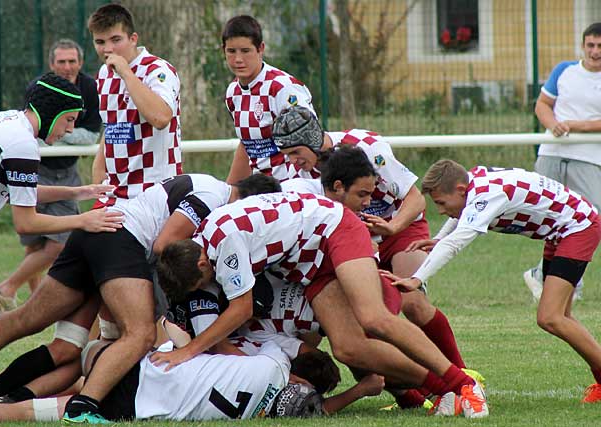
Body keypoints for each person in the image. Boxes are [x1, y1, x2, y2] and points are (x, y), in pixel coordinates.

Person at [0, 173, 280, 423]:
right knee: (139, 335)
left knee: (62, 344)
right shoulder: (214, 197)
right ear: (250, 201)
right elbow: (163, 245)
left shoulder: (210, 191)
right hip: (119, 239)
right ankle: (83, 407)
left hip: (98, 233)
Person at [156, 192, 489, 418]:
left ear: (201, 265)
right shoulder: (206, 242)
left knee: (373, 318)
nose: (208, 288)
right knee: (348, 349)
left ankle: (463, 385)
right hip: (309, 262)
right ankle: (440, 391)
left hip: (334, 230)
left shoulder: (222, 243)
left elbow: (241, 309)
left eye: (202, 283)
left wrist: (189, 351)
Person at [273, 106, 470, 373]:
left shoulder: (366, 147)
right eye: (286, 155)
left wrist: (392, 227)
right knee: (365, 320)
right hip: (355, 240)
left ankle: (462, 375)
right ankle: (414, 392)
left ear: (312, 139)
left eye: (296, 152)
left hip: (400, 227)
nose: (292, 161)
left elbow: (415, 198)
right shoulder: (299, 175)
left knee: (411, 302)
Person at [0, 72, 123, 391]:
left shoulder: (5, 121)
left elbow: (21, 189)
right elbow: (27, 222)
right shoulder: (23, 144)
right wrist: (82, 221)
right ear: (55, 114)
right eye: (69, 120)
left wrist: (76, 193)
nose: (70, 129)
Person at [391, 159, 601, 404]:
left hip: (577, 228)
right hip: (564, 230)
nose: (440, 210)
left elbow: (456, 242)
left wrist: (417, 279)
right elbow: (463, 213)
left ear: (460, 189)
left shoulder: (488, 194)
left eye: (440, 203)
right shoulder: (473, 186)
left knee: (550, 318)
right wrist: (439, 238)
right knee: (560, 316)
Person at [0, 339, 382, 423]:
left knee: (84, 354)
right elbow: (316, 408)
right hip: (141, 408)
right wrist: (361, 389)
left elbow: (281, 345)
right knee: (51, 412)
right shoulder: (275, 407)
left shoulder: (272, 360)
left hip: (144, 366)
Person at [0, 39, 103, 312]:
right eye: (61, 62)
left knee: (57, 245)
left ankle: (7, 288)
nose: (67, 67)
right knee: (34, 244)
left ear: (81, 62)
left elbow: (90, 134)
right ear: (52, 64)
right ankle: (30, 304)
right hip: (37, 169)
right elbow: (32, 129)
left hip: (67, 173)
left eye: (72, 61)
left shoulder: (91, 88)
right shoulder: (40, 94)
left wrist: (58, 136)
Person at [524, 22, 601, 302]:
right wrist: (553, 124)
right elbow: (542, 105)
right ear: (583, 45)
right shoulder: (564, 70)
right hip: (551, 154)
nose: (595, 52)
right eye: (590, 45)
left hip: (589, 158)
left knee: (590, 220)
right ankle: (551, 278)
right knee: (549, 218)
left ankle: (557, 277)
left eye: (600, 47)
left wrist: (576, 126)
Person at [89, 3, 182, 207]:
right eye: (100, 42)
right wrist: (98, 175)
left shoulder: (158, 70)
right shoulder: (103, 74)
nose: (108, 49)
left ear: (133, 39)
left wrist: (127, 74)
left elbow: (160, 118)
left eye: (116, 40)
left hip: (156, 191)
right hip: (115, 194)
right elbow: (111, 127)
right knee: (80, 238)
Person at [222, 15, 316, 184]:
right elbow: (247, 145)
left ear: (260, 49)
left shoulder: (282, 88)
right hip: (263, 190)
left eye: (245, 51)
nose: (238, 59)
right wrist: (229, 192)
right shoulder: (232, 93)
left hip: (297, 187)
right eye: (231, 51)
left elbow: (312, 140)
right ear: (223, 50)